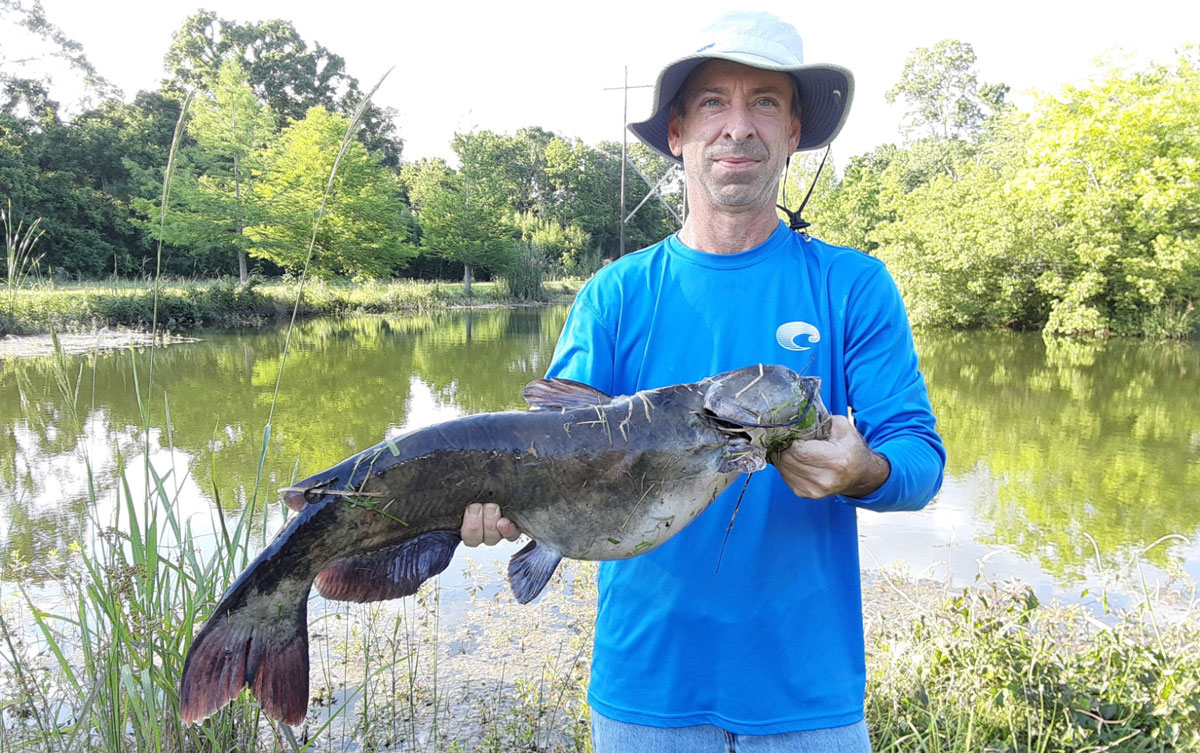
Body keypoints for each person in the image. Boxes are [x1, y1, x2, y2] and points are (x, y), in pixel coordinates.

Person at [461, 10, 946, 752]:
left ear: (794, 132)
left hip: (808, 697)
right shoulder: (615, 294)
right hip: (645, 693)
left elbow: (919, 463)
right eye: (715, 101)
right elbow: (550, 449)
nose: (739, 126)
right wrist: (494, 502)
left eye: (766, 102)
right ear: (679, 133)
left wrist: (865, 469)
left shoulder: (854, 285)